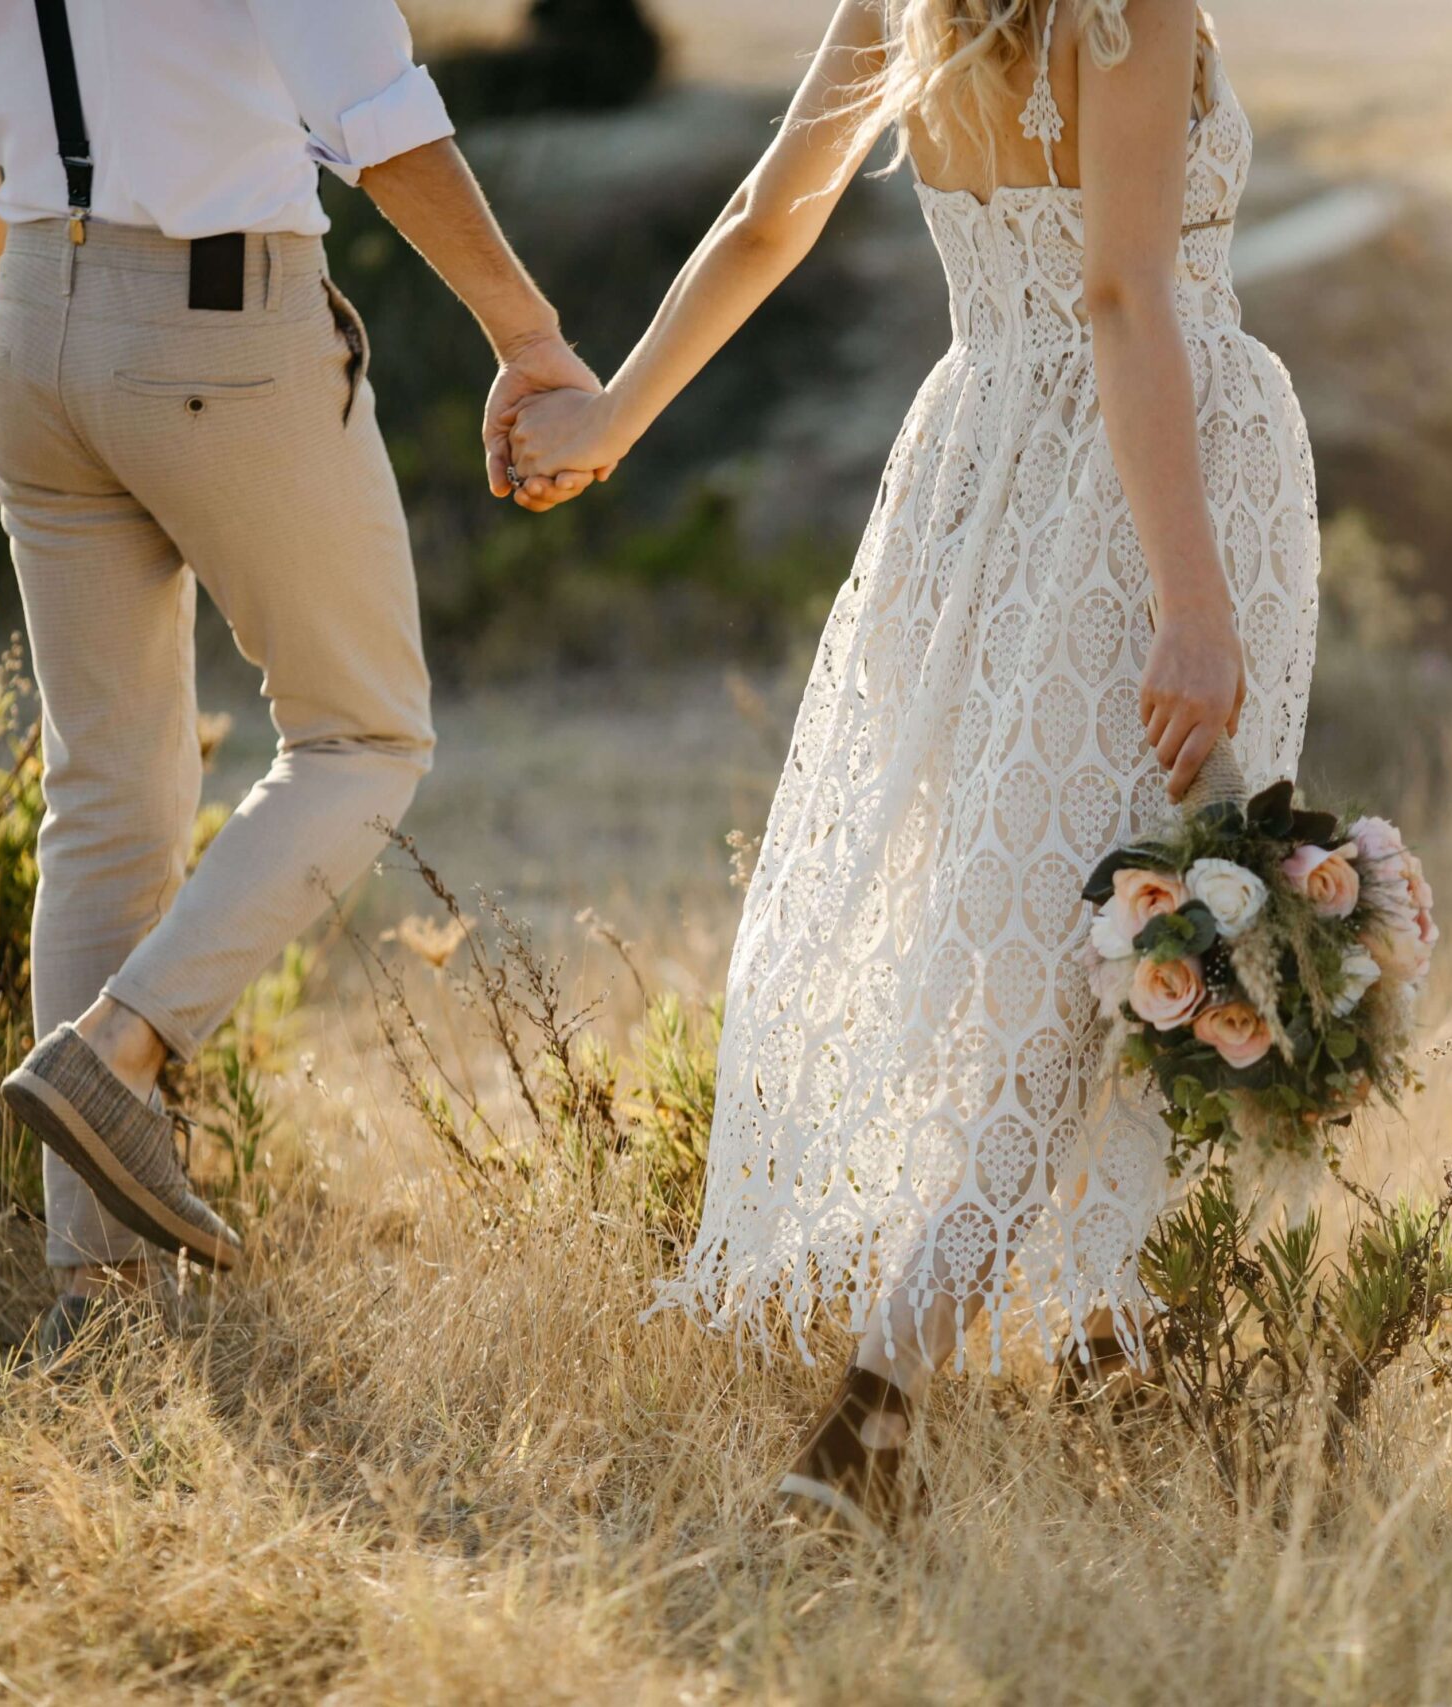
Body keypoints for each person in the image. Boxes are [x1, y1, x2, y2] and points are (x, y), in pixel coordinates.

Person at [506, 0, 1321, 1534]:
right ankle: (876, 1414)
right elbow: (1125, 293)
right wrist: (1194, 603)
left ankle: (1106, 1340)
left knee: (1079, 928)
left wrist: (615, 416)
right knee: (1119, 939)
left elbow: (766, 219)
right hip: (1142, 494)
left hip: (978, 473)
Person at [0, 0, 598, 1353]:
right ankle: (117, 1053)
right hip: (222, 317)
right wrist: (529, 335)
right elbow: (379, 114)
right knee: (364, 740)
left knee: (105, 797)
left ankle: (94, 1312)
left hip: (31, 317)